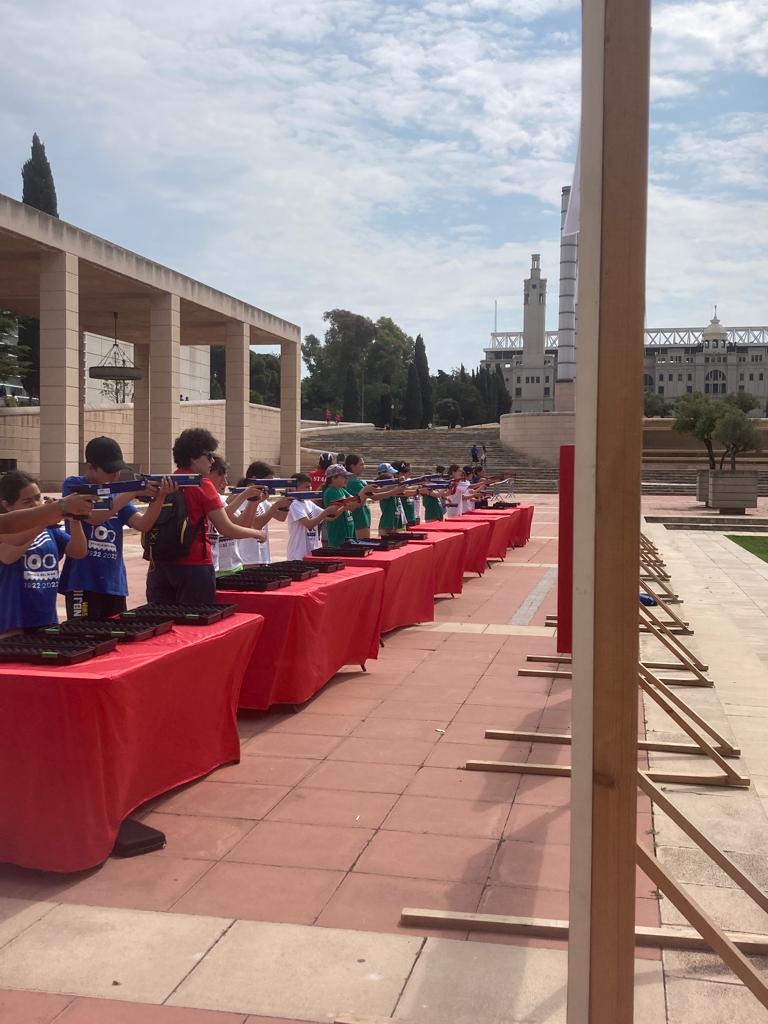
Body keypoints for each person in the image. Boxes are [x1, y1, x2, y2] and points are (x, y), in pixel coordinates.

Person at [145, 428, 278, 605]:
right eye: (209, 455)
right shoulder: (201, 484)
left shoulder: (167, 481)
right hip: (193, 565)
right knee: (195, 620)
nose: (212, 460)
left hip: (159, 565)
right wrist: (257, 533)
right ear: (193, 457)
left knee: (163, 619)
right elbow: (226, 528)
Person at [59, 435, 175, 620]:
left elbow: (143, 524)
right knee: (82, 633)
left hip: (113, 582)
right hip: (83, 579)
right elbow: (93, 518)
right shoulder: (74, 485)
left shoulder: (118, 495)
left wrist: (159, 497)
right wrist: (132, 491)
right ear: (91, 467)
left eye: (117, 470)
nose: (115, 476)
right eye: (109, 471)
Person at [0, 470, 87, 634]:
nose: (35, 504)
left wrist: (75, 519)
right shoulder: (6, 530)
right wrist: (45, 519)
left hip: (46, 616)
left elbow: (79, 551)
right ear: (7, 505)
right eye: (27, 501)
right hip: (13, 619)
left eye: (37, 498)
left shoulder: (50, 530)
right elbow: (7, 556)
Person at [234, 460, 290, 565]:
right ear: (254, 479)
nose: (269, 486)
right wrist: (276, 505)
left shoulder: (262, 500)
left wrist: (288, 501)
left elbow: (281, 517)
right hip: (247, 556)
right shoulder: (243, 499)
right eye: (267, 482)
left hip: (262, 555)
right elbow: (254, 525)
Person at [285, 473, 341, 559]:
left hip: (311, 551)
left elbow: (331, 517)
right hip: (297, 554)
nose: (310, 489)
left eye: (310, 486)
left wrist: (343, 507)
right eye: (306, 487)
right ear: (294, 488)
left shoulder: (308, 503)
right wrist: (326, 512)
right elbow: (309, 524)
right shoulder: (294, 504)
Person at [344, 454, 400, 540]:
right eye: (361, 464)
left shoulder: (357, 481)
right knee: (363, 543)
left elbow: (376, 492)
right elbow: (375, 496)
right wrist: (394, 490)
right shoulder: (353, 482)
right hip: (359, 518)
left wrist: (392, 487)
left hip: (363, 517)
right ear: (352, 466)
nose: (364, 467)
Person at [321, 464, 360, 546]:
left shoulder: (342, 489)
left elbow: (355, 501)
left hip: (348, 532)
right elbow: (332, 515)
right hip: (338, 535)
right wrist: (345, 506)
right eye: (343, 477)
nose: (346, 479)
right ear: (333, 478)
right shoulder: (331, 491)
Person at [376, 463, 407, 536]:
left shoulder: (392, 488)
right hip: (387, 525)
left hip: (394, 522)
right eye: (391, 473)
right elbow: (390, 493)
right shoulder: (383, 489)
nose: (394, 476)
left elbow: (403, 491)